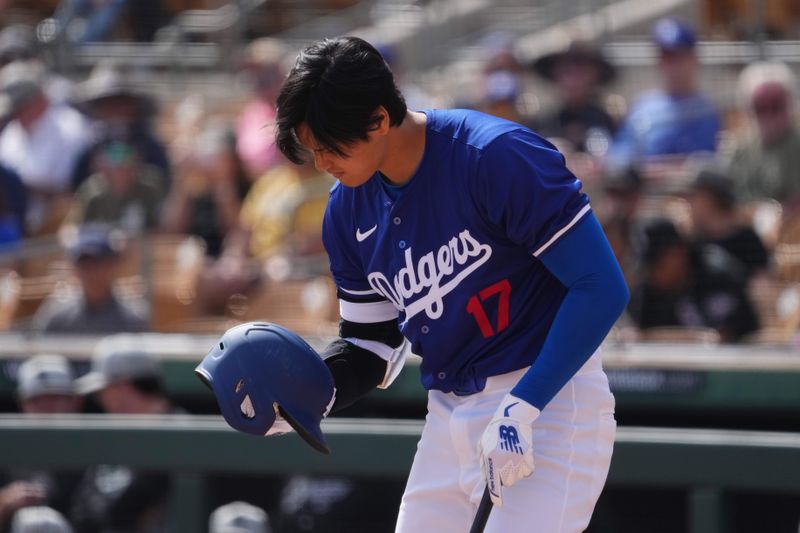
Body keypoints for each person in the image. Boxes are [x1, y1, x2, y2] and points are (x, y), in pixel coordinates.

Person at [272, 36, 629, 532]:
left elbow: (600, 286)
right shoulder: (346, 208)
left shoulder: (493, 155)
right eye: (314, 150)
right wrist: (305, 394)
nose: (322, 163)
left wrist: (526, 404)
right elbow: (370, 344)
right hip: (447, 415)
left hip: (550, 400)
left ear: (378, 119)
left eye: (331, 146)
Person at [70, 342, 175, 533]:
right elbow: (84, 508)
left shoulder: (181, 434)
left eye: (103, 391)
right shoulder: (113, 435)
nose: (100, 399)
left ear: (124, 387)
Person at [609, 19, 720, 167]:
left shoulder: (709, 109)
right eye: (667, 58)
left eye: (679, 57)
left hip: (693, 188)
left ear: (694, 59)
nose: (673, 66)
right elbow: (619, 156)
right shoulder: (642, 109)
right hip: (648, 188)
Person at [628, 218, 759, 342]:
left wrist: (655, 337)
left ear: (679, 252)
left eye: (659, 263)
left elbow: (720, 337)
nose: (653, 272)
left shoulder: (717, 277)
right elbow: (638, 334)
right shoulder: (647, 289)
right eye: (648, 266)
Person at [0, 61, 91, 234]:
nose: (17, 113)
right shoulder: (10, 133)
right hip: (18, 224)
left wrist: (21, 185)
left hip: (61, 226)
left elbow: (74, 191)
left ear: (40, 99)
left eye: (22, 106)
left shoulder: (72, 128)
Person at [0, 355, 83, 530]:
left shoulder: (96, 448)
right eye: (35, 400)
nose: (46, 408)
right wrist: (5, 503)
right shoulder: (7, 448)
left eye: (54, 397)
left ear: (75, 401)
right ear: (21, 403)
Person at [30, 223, 148, 334]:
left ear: (112, 266)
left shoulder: (133, 318)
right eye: (84, 265)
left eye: (97, 264)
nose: (91, 273)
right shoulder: (57, 314)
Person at [726, 61, 800, 209]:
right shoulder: (737, 149)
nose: (768, 115)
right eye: (760, 107)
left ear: (790, 105)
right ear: (747, 108)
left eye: (776, 105)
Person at [683, 167, 769, 282]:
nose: (688, 202)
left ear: (711, 199)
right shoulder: (691, 243)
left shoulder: (748, 241)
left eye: (694, 196)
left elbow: (762, 285)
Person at [532, 41, 618, 155]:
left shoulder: (612, 123)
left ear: (595, 75)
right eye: (565, 70)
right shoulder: (543, 125)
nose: (571, 79)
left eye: (579, 69)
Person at [66, 137, 164, 234]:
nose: (122, 173)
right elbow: (71, 230)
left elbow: (164, 229)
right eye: (117, 168)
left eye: (127, 167)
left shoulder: (150, 187)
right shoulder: (92, 191)